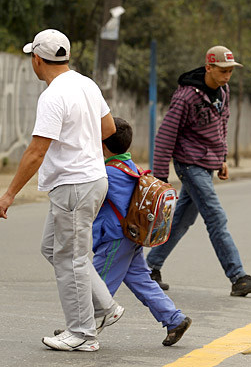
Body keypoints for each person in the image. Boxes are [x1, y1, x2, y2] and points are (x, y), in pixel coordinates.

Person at [0, 29, 123, 352]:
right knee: (53, 248)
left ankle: (82, 332)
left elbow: (36, 151)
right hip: (92, 180)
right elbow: (109, 129)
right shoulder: (86, 84)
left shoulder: (52, 96)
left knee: (71, 257)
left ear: (37, 59)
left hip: (74, 185)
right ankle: (105, 307)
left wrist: (8, 195)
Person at [146, 45, 251, 297]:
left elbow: (222, 126)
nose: (226, 75)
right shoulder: (186, 96)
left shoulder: (223, 91)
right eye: (222, 70)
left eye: (230, 71)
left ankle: (149, 268)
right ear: (208, 67)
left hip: (208, 162)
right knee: (215, 216)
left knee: (181, 220)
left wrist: (222, 158)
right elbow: (166, 135)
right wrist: (160, 176)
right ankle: (238, 277)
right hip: (189, 163)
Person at [92, 117, 192, 346]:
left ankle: (81, 330)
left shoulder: (106, 173)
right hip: (132, 236)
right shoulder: (131, 167)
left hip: (115, 239)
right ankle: (174, 319)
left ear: (102, 144)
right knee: (141, 281)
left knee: (96, 285)